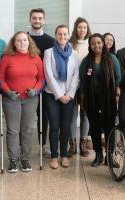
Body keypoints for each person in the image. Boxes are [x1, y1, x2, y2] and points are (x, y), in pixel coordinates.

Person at [0, 31, 45, 173]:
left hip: (30, 99)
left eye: (25, 40)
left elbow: (42, 79)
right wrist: (7, 91)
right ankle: (13, 160)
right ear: (14, 43)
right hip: (11, 99)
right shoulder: (7, 58)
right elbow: (0, 79)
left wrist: (36, 90)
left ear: (29, 42)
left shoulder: (36, 57)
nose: (22, 43)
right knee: (12, 130)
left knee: (27, 130)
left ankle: (25, 159)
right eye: (19, 40)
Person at [80, 33, 121, 167]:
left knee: (110, 126)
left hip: (108, 98)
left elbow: (118, 78)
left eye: (98, 42)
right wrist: (82, 97)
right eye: (93, 43)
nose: (96, 45)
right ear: (90, 46)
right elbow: (82, 81)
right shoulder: (86, 61)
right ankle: (98, 155)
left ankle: (110, 156)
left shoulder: (112, 59)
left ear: (103, 43)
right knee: (95, 127)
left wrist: (117, 95)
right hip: (91, 98)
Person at [43, 25, 79, 169]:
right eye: (59, 34)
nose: (62, 37)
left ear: (69, 35)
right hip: (52, 95)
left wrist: (69, 94)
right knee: (54, 126)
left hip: (69, 96)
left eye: (65, 34)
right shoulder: (48, 52)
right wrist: (59, 95)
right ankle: (53, 156)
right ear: (56, 35)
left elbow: (76, 75)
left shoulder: (74, 53)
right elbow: (48, 75)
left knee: (65, 126)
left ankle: (64, 155)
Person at [28, 8, 54, 158]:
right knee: (24, 118)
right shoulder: (23, 38)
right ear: (30, 20)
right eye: (34, 18)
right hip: (26, 86)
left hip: (44, 86)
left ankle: (43, 146)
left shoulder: (51, 41)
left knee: (43, 117)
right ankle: (20, 148)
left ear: (44, 20)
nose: (37, 21)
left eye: (40, 18)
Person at [69, 17, 92, 157]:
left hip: (87, 85)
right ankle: (72, 144)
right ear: (76, 29)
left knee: (86, 115)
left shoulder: (92, 43)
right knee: (72, 116)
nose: (82, 29)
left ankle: (83, 144)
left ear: (87, 29)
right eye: (79, 27)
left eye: (84, 27)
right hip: (72, 85)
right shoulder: (70, 44)